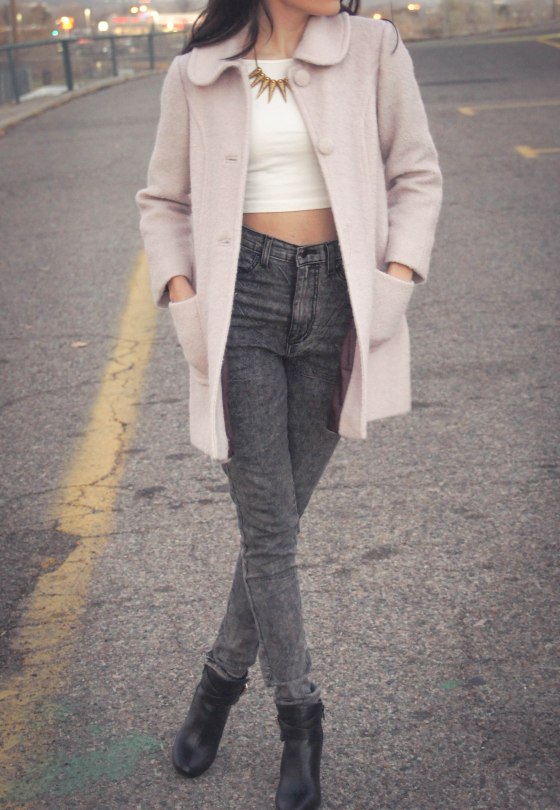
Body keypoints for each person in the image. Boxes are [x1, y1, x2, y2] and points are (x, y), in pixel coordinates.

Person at [136, 1, 442, 807]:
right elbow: (163, 200)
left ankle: (217, 682)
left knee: (277, 520)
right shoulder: (196, 72)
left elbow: (416, 172)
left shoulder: (373, 47)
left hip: (341, 301)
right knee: (270, 528)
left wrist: (397, 279)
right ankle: (300, 720)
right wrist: (181, 293)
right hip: (242, 305)